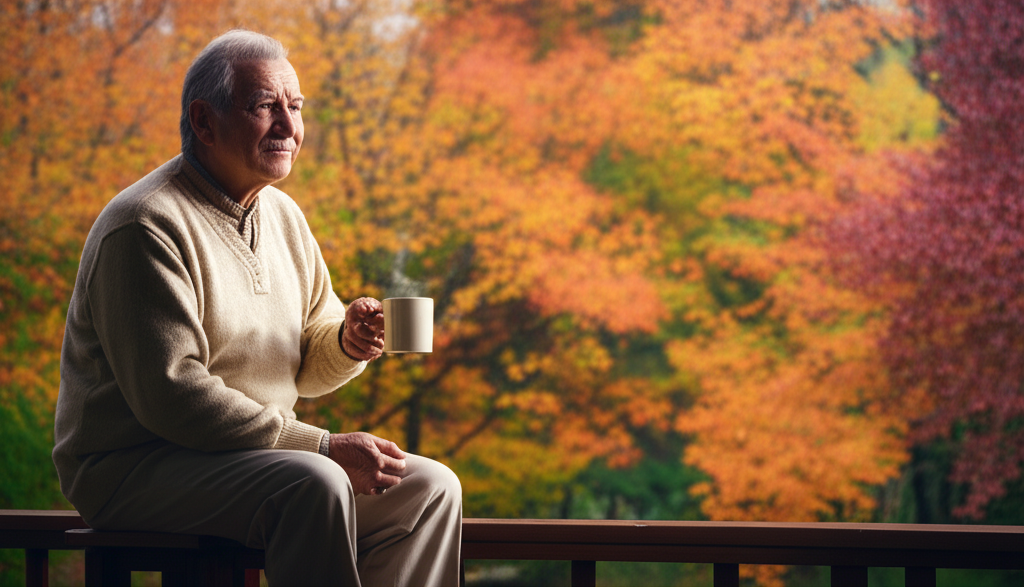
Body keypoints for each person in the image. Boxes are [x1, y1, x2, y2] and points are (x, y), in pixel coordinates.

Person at [52, 29, 462, 586]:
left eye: (295, 108)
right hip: (136, 467)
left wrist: (344, 341)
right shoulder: (144, 224)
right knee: (316, 481)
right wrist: (321, 445)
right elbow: (173, 397)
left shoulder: (284, 216)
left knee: (430, 489)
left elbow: (307, 359)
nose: (290, 128)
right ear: (204, 122)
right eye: (266, 107)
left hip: (252, 458)